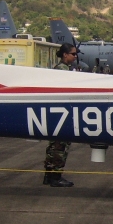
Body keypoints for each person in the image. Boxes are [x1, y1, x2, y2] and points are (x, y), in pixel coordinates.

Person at [43, 43, 78, 187]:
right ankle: (55, 177)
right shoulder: (63, 70)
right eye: (73, 54)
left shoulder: (60, 69)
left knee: (54, 147)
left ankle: (49, 176)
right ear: (65, 54)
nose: (75, 57)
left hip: (57, 114)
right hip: (61, 114)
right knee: (59, 146)